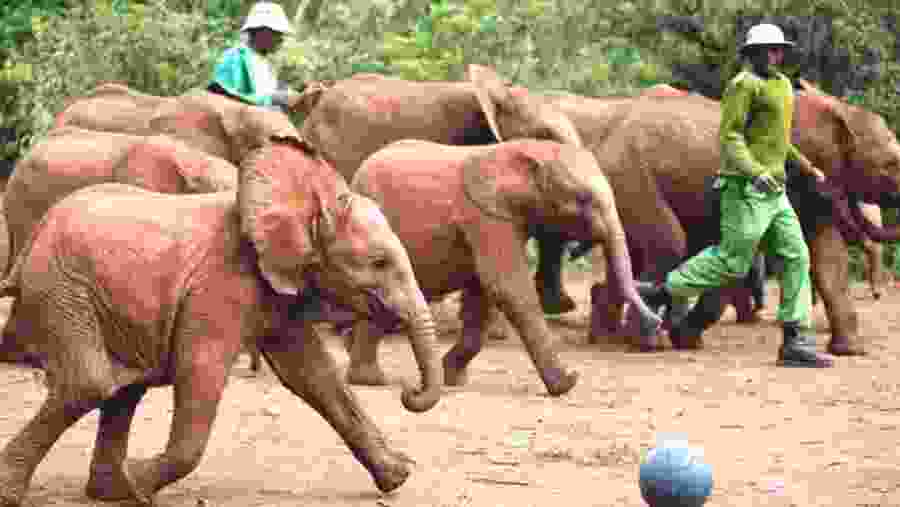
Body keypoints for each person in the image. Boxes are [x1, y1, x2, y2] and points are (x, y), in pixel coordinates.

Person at [639, 23, 833, 368]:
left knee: (796, 256)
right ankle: (660, 293)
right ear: (753, 53)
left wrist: (806, 167)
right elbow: (730, 138)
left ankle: (795, 340)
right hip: (744, 189)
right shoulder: (742, 86)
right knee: (733, 261)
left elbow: (778, 139)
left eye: (777, 49)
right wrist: (755, 172)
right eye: (767, 49)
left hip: (776, 191)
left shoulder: (782, 85)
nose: (773, 55)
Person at [207, 1, 303, 113]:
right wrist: (273, 99)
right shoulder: (235, 58)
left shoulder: (265, 64)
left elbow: (269, 94)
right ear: (262, 32)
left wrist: (294, 96)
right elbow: (224, 101)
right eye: (277, 33)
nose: (281, 39)